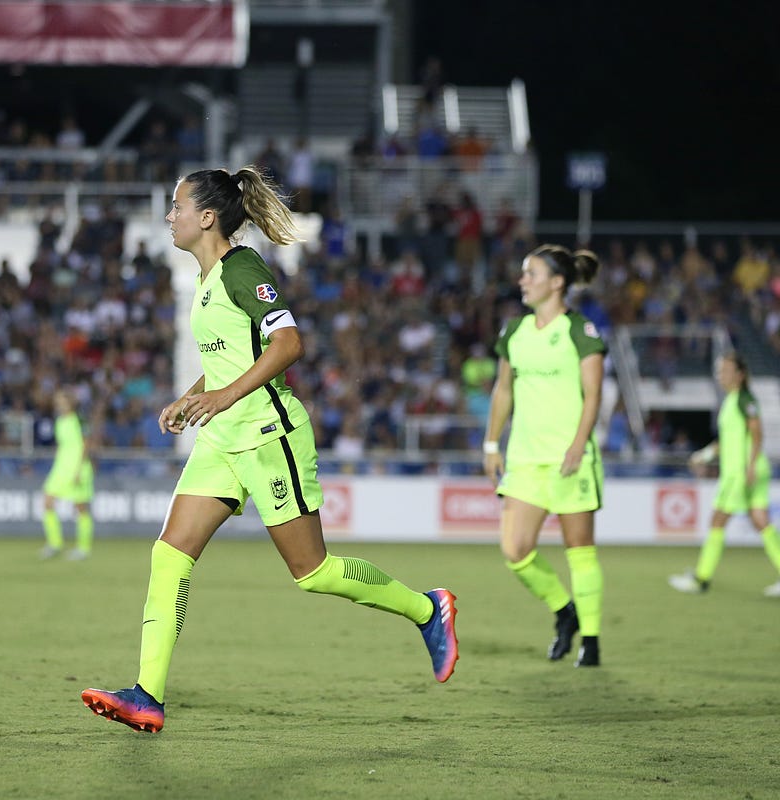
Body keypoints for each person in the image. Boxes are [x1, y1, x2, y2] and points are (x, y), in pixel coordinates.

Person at [80, 166, 458, 733]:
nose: (169, 216)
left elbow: (289, 343)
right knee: (170, 554)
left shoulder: (242, 269)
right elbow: (226, 364)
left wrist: (226, 396)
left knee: (312, 572)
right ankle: (147, 696)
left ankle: (429, 609)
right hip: (222, 441)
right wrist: (189, 399)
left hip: (266, 435)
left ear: (207, 217)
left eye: (177, 206)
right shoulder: (208, 282)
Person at [481, 244, 606, 668]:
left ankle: (590, 641)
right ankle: (564, 611)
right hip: (526, 460)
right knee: (516, 551)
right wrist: (492, 443)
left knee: (579, 550)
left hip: (570, 459)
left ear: (557, 282)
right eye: (523, 273)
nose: (523, 280)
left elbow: (594, 397)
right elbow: (503, 390)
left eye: (531, 273)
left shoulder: (580, 331)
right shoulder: (513, 331)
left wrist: (577, 445)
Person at [668, 353, 780, 597]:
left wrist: (748, 467)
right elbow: (726, 441)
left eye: (726, 370)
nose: (721, 375)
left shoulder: (744, 400)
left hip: (740, 472)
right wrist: (705, 455)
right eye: (720, 371)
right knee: (761, 520)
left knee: (717, 521)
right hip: (750, 469)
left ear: (740, 375)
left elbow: (757, 433)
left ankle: (701, 579)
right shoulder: (732, 401)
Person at [40, 388, 95, 561]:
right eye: (58, 401)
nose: (59, 404)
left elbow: (87, 443)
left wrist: (80, 468)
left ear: (71, 402)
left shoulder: (79, 419)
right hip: (61, 467)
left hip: (78, 467)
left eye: (62, 401)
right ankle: (55, 543)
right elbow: (62, 445)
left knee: (80, 507)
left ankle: (83, 548)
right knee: (47, 501)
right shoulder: (59, 421)